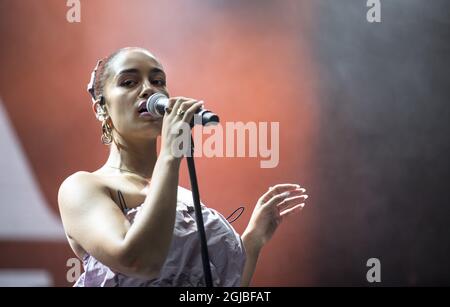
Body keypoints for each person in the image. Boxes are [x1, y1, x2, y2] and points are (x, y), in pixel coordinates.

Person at [57, 47, 309, 287]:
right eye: (129, 82)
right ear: (102, 109)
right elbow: (137, 261)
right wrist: (170, 153)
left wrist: (253, 240)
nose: (148, 90)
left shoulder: (182, 196)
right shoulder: (82, 187)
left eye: (158, 81)